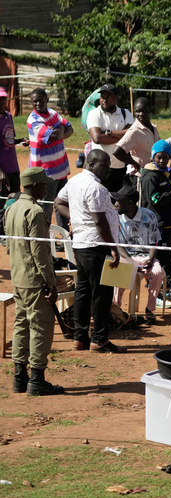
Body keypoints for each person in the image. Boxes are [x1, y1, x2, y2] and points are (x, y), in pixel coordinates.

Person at [53, 150, 123, 353]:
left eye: (109, 165)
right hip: (96, 245)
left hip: (81, 246)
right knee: (101, 294)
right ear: (91, 164)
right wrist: (113, 247)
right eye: (104, 166)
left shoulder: (75, 181)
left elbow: (59, 202)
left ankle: (80, 338)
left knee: (82, 291)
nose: (108, 170)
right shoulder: (95, 188)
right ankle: (99, 339)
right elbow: (100, 222)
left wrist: (74, 219)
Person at [7, 167, 64, 396]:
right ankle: (37, 379)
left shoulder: (12, 208)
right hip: (34, 279)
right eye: (43, 185)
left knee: (21, 324)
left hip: (18, 276)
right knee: (40, 326)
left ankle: (20, 377)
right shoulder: (36, 211)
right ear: (36, 186)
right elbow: (39, 252)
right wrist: (50, 281)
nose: (46, 188)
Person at [111, 183, 166, 323]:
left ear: (129, 203)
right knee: (119, 271)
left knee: (158, 272)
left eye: (119, 201)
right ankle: (116, 310)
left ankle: (150, 310)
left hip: (146, 256)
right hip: (126, 256)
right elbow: (117, 245)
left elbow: (154, 243)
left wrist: (151, 259)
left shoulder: (149, 216)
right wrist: (130, 261)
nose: (116, 204)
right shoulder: (115, 218)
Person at [27, 87, 73, 227]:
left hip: (61, 168)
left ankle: (63, 236)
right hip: (46, 172)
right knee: (45, 208)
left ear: (47, 100)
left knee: (62, 204)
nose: (38, 104)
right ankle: (44, 240)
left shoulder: (53, 113)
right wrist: (58, 131)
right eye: (35, 102)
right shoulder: (33, 120)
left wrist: (58, 132)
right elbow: (55, 135)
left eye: (41, 100)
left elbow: (70, 129)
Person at [139, 139, 171, 283]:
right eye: (159, 157)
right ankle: (155, 290)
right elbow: (154, 200)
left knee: (169, 258)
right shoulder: (150, 176)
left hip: (169, 223)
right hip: (157, 224)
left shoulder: (166, 173)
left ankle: (167, 288)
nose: (162, 160)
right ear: (153, 157)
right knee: (158, 259)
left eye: (165, 157)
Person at [86, 83, 131, 192]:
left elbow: (131, 135)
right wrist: (122, 135)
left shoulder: (125, 113)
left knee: (116, 201)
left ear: (116, 98)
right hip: (99, 167)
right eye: (102, 97)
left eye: (109, 96)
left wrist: (108, 133)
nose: (104, 99)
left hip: (119, 166)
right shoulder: (94, 114)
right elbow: (97, 138)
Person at [112, 97, 160, 182]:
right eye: (138, 111)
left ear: (150, 110)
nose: (141, 114)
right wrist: (134, 163)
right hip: (140, 177)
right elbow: (117, 151)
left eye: (144, 111)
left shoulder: (153, 128)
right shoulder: (134, 131)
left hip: (153, 174)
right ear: (134, 112)